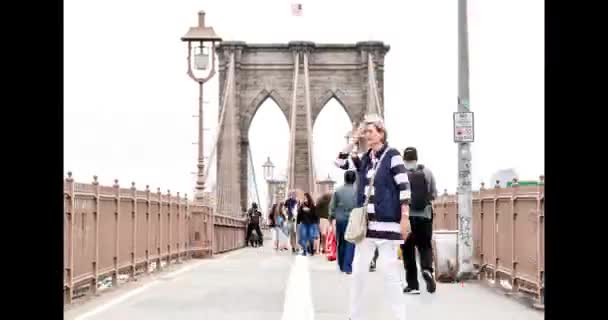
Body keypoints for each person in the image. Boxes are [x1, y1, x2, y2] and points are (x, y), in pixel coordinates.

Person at [335, 113, 411, 320]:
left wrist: (405, 217)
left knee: (390, 274)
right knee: (359, 273)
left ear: (381, 133)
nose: (367, 135)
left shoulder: (392, 155)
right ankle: (354, 315)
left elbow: (404, 186)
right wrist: (353, 140)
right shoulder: (366, 159)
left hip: (388, 225)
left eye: (370, 131)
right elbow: (339, 162)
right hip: (366, 228)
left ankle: (399, 316)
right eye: (366, 131)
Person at [401, 147, 438, 294]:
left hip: (406, 218)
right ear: (416, 158)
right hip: (425, 216)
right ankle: (427, 270)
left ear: (404, 159)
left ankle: (412, 285)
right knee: (425, 246)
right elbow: (434, 194)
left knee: (408, 251)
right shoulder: (427, 172)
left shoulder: (400, 173)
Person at [328, 170, 357, 274]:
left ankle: (341, 265)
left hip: (340, 219)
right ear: (354, 179)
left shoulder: (338, 191)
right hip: (353, 219)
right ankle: (347, 267)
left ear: (345, 178)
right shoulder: (357, 191)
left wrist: (331, 218)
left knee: (341, 242)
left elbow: (332, 206)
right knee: (351, 242)